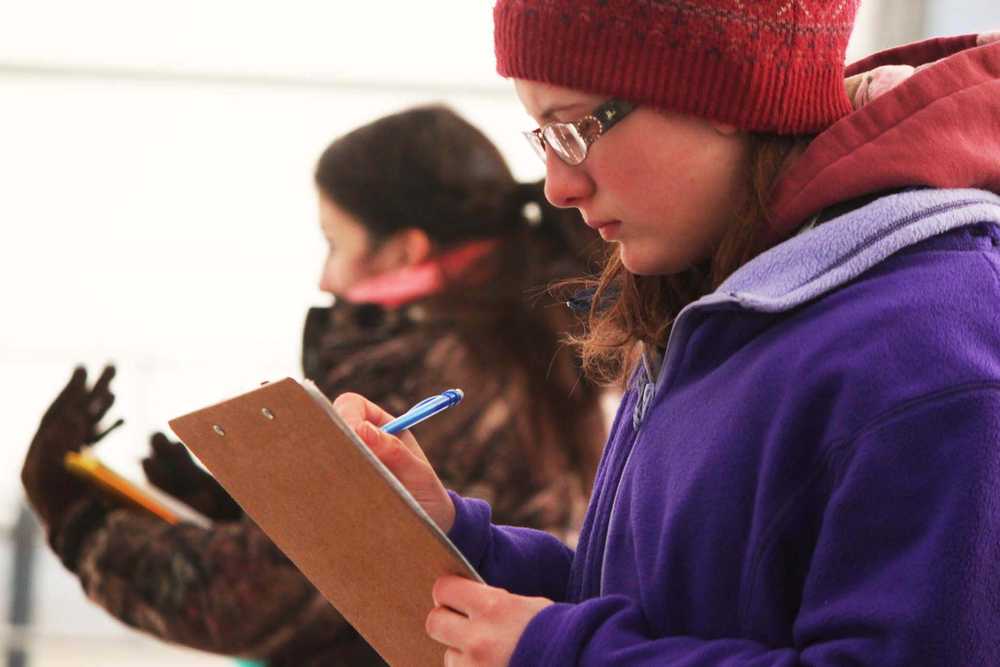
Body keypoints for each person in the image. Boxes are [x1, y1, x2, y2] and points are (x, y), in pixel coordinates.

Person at [330, 4, 1000, 666]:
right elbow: (654, 607)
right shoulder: (721, 309)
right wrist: (455, 536)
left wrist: (562, 654)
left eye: (576, 128)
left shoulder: (930, 355)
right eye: (543, 138)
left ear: (727, 94)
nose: (558, 186)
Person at [20, 105, 608, 666]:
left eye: (335, 243)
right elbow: (362, 569)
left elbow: (250, 598)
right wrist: (239, 509)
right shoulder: (512, 353)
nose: (324, 277)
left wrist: (73, 518)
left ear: (406, 248)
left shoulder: (423, 374)